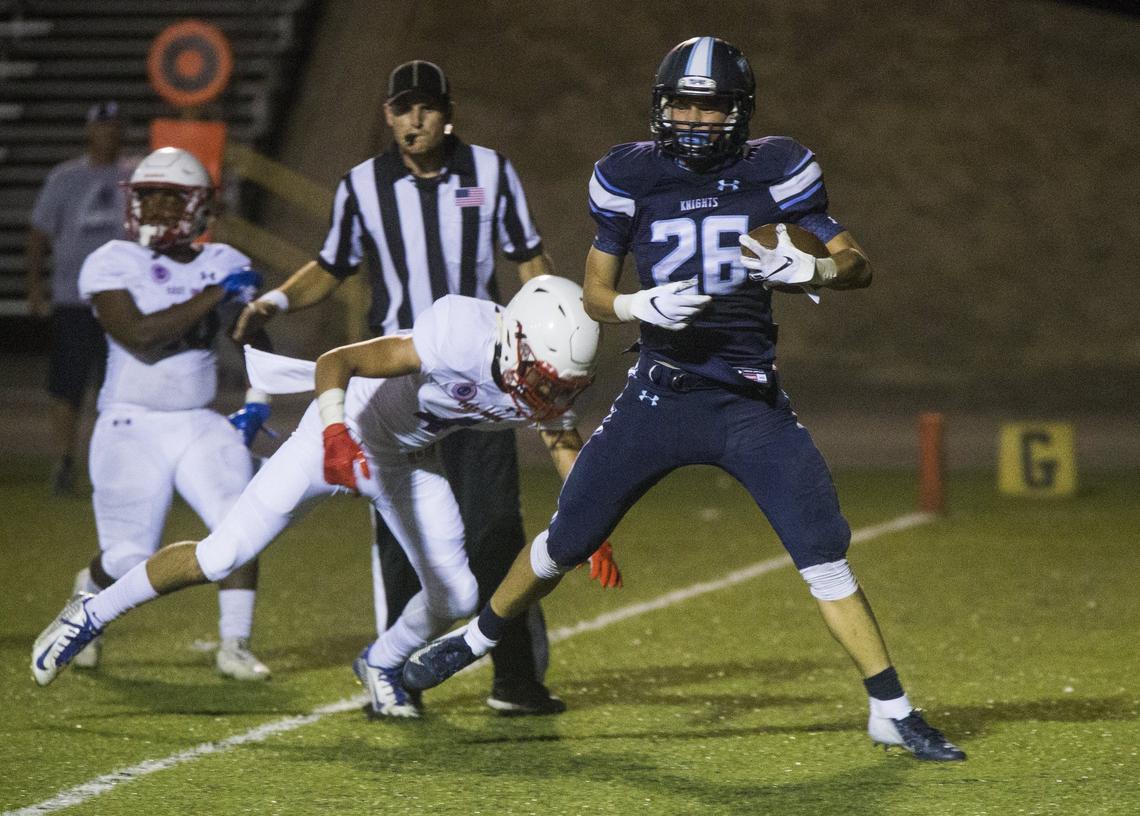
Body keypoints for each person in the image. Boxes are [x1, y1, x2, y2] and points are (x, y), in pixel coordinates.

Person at [404, 37, 966, 763]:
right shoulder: (628, 174)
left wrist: (813, 264)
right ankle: (476, 638)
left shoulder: (777, 166)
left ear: (739, 112)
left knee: (823, 551)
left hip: (747, 401)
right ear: (660, 106)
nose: (697, 119)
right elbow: (597, 296)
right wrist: (641, 304)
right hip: (658, 396)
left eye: (712, 105)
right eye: (685, 103)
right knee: (565, 540)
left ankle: (890, 708)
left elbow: (859, 265)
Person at [31, 276, 621, 720]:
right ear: (514, 337)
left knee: (457, 594)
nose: (548, 394)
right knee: (224, 556)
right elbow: (336, 362)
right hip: (337, 433)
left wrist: (588, 522)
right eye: (544, 378)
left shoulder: (547, 381)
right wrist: (336, 432)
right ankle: (92, 612)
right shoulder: (461, 332)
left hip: (408, 461)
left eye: (560, 385)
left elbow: (563, 444)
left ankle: (382, 664)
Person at [232, 60, 568, 715]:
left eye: (427, 107)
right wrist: (273, 300)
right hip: (399, 383)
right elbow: (332, 265)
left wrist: (547, 333)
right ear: (388, 114)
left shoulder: (491, 172)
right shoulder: (362, 185)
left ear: (449, 112)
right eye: (402, 107)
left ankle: (515, 679)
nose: (414, 119)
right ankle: (392, 678)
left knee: (497, 526)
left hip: (479, 370)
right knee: (399, 534)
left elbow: (530, 258)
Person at [65, 146, 273, 680]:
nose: (155, 207)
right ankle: (88, 595)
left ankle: (236, 644)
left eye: (169, 197)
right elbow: (141, 334)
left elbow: (258, 346)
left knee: (242, 527)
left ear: (199, 206)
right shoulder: (112, 259)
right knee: (129, 559)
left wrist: (256, 402)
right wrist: (214, 294)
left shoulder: (224, 261)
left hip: (198, 421)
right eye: (148, 196)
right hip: (128, 423)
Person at [25, 101, 133, 493]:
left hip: (123, 298)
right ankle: (64, 461)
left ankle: (112, 466)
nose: (109, 133)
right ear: (90, 131)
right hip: (74, 297)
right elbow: (38, 236)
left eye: (115, 126)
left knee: (118, 388)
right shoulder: (65, 178)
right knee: (67, 385)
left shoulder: (135, 175)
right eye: (102, 126)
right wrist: (35, 287)